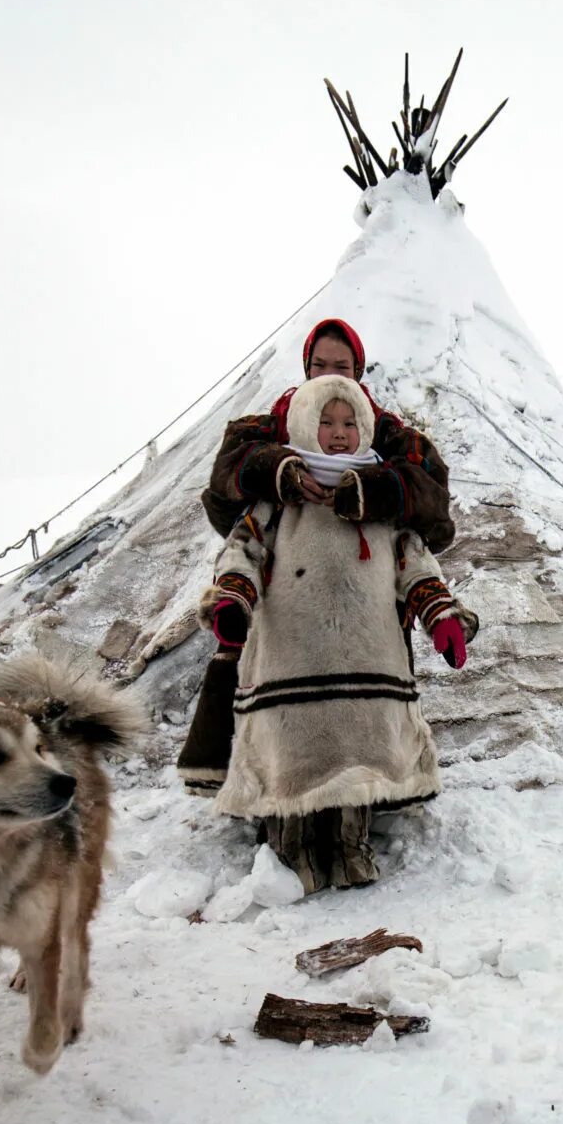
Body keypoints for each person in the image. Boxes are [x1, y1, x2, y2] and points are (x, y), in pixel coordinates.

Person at [200, 375, 469, 892]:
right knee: (295, 760)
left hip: (368, 657)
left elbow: (414, 560)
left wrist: (441, 617)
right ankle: (291, 850)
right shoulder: (278, 499)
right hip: (291, 657)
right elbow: (243, 550)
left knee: (357, 756)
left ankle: (349, 845)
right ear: (303, 423)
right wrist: (233, 600)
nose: (339, 433)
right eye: (326, 422)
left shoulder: (381, 495)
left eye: (350, 423)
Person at [177, 317, 456, 793]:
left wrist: (373, 489)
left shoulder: (387, 434)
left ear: (359, 371)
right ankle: (240, 774)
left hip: (363, 583)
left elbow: (431, 499)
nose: (332, 373)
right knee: (251, 655)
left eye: (343, 366)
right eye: (321, 364)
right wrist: (274, 470)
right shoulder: (271, 425)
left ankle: (384, 777)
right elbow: (224, 482)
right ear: (306, 367)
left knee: (376, 664)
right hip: (289, 580)